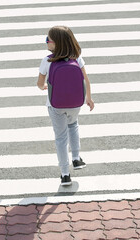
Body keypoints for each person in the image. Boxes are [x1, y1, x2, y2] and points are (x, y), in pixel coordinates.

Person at [37, 26, 95, 186]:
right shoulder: (77, 58)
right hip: (75, 103)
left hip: (55, 105)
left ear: (55, 44)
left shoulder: (47, 61)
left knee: (61, 138)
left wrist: (42, 86)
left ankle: (65, 174)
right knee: (73, 125)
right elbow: (86, 80)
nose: (46, 42)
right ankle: (76, 158)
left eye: (48, 40)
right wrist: (88, 98)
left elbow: (40, 83)